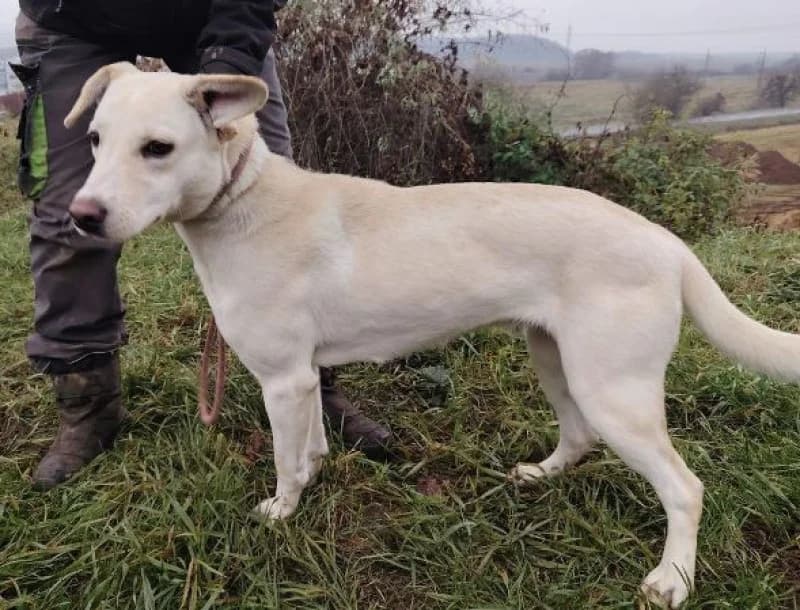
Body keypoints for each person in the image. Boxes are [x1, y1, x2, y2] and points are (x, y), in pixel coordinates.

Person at [14, 0, 393, 490]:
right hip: (72, 19)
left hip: (217, 15)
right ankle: (87, 405)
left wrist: (227, 66)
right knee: (65, 216)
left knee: (276, 201)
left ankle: (311, 383)